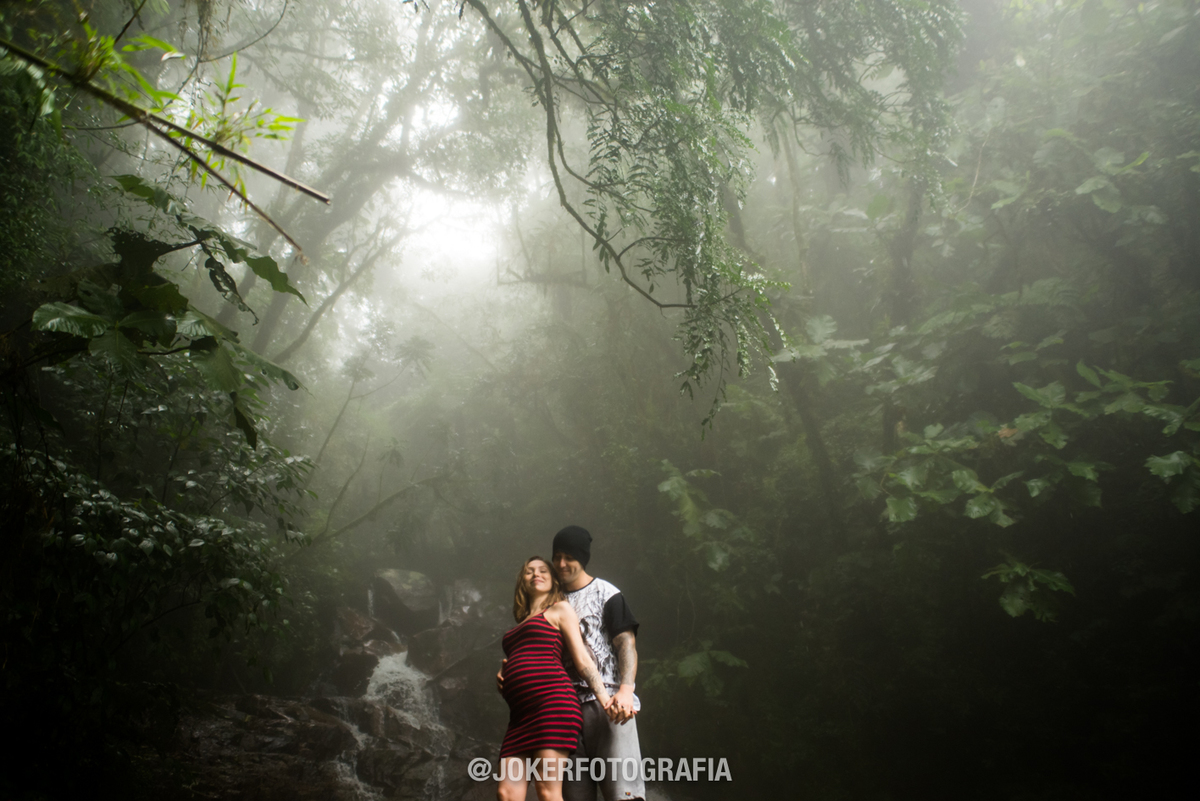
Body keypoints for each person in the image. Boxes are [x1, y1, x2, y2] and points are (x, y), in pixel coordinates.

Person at [497, 556, 612, 801]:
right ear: (522, 581)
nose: (535, 574)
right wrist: (505, 671)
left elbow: (581, 658)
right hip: (519, 716)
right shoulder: (516, 627)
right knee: (506, 793)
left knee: (548, 792)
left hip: (552, 705)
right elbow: (521, 659)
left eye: (542, 571)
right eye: (529, 571)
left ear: (553, 580)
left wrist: (605, 699)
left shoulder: (559, 609)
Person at [552, 525, 645, 801]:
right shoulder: (550, 600)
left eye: (569, 556)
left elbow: (626, 643)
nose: (561, 564)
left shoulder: (607, 593)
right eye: (557, 556)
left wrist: (626, 690)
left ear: (583, 557)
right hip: (564, 709)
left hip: (609, 705)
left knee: (624, 794)